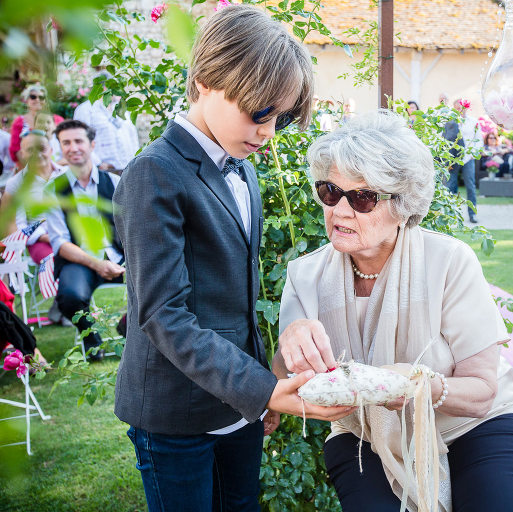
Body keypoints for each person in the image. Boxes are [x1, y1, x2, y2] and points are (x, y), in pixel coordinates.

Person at [111, 6, 354, 511]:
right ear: (205, 81)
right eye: (259, 113)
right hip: (175, 415)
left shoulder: (242, 167)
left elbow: (237, 296)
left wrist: (258, 390)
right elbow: (163, 314)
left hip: (238, 406)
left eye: (280, 118)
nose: (269, 132)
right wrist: (262, 389)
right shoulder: (153, 173)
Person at [276, 110, 513, 511]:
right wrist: (290, 343)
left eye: (363, 198)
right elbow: (285, 376)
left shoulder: (448, 261)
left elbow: (481, 392)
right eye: (330, 191)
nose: (340, 211)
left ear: (403, 205)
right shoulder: (305, 275)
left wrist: (415, 386)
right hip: (365, 435)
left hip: (477, 425)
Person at [44, 120, 124, 361]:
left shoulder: (114, 182)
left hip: (119, 256)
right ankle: (92, 339)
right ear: (60, 148)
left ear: (92, 144)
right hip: (80, 260)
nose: (73, 148)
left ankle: (126, 328)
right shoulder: (52, 190)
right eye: (66, 143)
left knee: (154, 283)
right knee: (69, 297)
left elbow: (131, 226)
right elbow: (60, 242)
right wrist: (97, 264)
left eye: (78, 141)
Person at [1, 130, 65, 264]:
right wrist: (44, 237)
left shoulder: (67, 174)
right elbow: (19, 224)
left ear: (51, 150)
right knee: (54, 262)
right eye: (30, 150)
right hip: (40, 240)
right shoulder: (17, 183)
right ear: (22, 154)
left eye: (42, 148)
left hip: (70, 235)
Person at [73, 76, 140, 172]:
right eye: (117, 87)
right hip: (104, 171)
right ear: (105, 88)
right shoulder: (85, 110)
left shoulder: (121, 108)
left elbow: (132, 135)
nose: (121, 91)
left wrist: (136, 160)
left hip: (128, 170)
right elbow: (80, 139)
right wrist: (98, 164)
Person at [9, 84, 64, 166]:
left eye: (41, 97)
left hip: (57, 165)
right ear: (27, 100)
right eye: (33, 97)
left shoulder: (58, 120)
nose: (37, 100)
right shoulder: (19, 122)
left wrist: (51, 166)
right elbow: (16, 150)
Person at [447, 99, 482, 223]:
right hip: (453, 158)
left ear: (466, 108)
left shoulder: (474, 122)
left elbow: (479, 140)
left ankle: (472, 214)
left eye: (462, 108)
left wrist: (473, 154)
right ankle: (450, 215)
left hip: (468, 158)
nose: (460, 110)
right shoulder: (450, 122)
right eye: (457, 108)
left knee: (470, 186)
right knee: (450, 186)